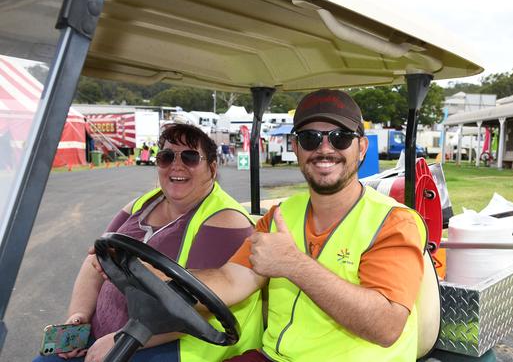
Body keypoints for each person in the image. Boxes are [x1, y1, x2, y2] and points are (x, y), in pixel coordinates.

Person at [192, 89, 427, 361]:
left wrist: (293, 264)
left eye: (340, 138)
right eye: (310, 138)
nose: (325, 149)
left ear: (361, 148)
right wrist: (161, 279)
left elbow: (386, 326)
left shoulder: (393, 222)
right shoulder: (281, 216)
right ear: (296, 148)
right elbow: (230, 281)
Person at [34, 124, 263, 362]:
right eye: (166, 157)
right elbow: (96, 258)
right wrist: (79, 316)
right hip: (109, 335)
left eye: (190, 157)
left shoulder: (225, 220)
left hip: (169, 343)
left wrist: (124, 339)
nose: (176, 164)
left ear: (212, 168)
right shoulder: (143, 204)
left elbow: (202, 307)